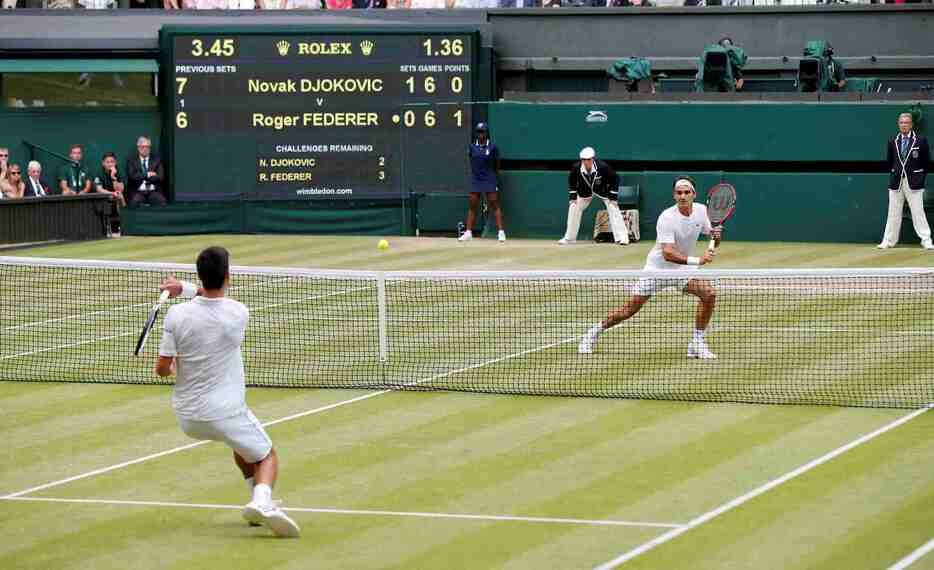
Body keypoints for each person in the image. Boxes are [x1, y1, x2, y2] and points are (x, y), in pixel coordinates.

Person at [157, 247, 301, 538]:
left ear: (200, 275)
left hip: (188, 418)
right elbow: (210, 298)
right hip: (224, 411)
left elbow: (162, 369)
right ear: (228, 276)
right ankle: (262, 501)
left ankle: (259, 501)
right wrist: (187, 288)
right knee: (266, 456)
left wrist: (183, 289)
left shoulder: (175, 315)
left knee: (241, 447)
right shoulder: (238, 312)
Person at [578, 176, 722, 358]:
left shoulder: (702, 211)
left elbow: (714, 240)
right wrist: (698, 260)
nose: (683, 196)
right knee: (629, 310)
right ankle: (592, 333)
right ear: (674, 195)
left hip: (682, 271)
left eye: (687, 192)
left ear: (694, 194)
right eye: (679, 193)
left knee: (708, 294)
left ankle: (697, 342)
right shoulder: (667, 218)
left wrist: (716, 236)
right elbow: (668, 253)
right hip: (657, 270)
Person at [878, 112, 932, 250]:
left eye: (906, 122)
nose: (904, 125)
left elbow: (926, 162)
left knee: (918, 212)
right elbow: (890, 161)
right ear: (898, 124)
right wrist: (896, 173)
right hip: (896, 182)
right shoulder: (892, 141)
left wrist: (919, 177)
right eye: (902, 122)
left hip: (914, 182)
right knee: (893, 212)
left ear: (911, 124)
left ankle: (926, 239)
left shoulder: (920, 140)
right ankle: (889, 240)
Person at [559, 147, 628, 246]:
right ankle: (569, 238)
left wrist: (613, 198)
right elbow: (572, 181)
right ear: (581, 160)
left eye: (589, 159)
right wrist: (573, 197)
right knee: (573, 207)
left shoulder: (602, 166)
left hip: (603, 191)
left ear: (593, 159)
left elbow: (615, 178)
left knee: (613, 207)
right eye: (584, 160)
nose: (587, 162)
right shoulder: (576, 168)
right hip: (584, 193)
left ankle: (622, 238)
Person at [459, 122, 506, 243]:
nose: (480, 134)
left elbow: (497, 164)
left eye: (483, 132)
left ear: (487, 133)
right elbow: (471, 161)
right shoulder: (472, 147)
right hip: (476, 179)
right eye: (479, 132)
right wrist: (476, 174)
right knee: (472, 205)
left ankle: (501, 232)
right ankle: (468, 232)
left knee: (495, 205)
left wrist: (493, 176)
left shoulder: (493, 147)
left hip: (490, 178)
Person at [126, 136, 168, 207]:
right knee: (134, 203)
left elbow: (160, 177)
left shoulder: (157, 160)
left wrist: (140, 176)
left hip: (153, 191)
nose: (145, 149)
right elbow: (132, 176)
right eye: (143, 147)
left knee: (162, 202)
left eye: (147, 147)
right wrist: (147, 174)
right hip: (138, 191)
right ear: (138, 148)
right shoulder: (131, 161)